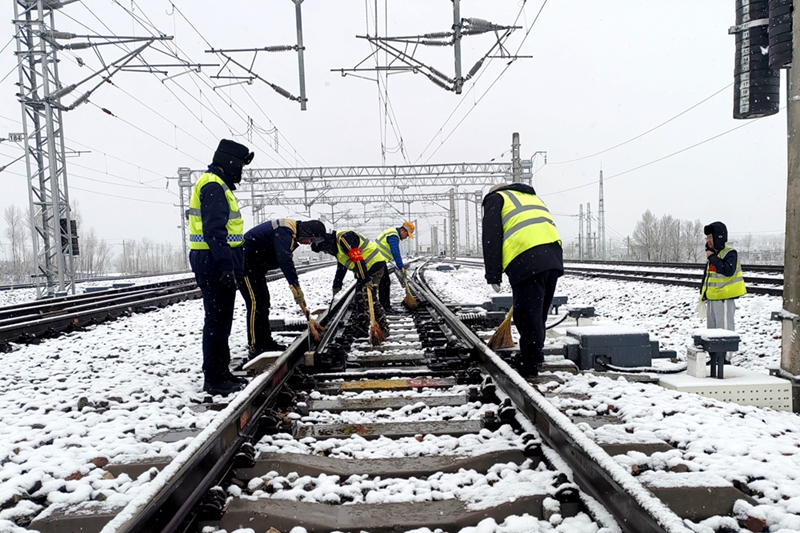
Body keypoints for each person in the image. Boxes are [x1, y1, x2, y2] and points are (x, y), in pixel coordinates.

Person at [189, 139, 254, 395]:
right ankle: (215, 378)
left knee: (221, 321)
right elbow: (214, 231)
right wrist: (227, 267)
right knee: (217, 321)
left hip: (216, 263)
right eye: (240, 165)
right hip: (215, 265)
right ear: (230, 163)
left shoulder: (218, 185)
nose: (241, 171)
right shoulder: (214, 186)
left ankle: (221, 371)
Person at [482, 182, 563, 377]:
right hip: (552, 256)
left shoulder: (497, 198)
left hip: (526, 257)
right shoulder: (530, 197)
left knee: (526, 314)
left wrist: (493, 275)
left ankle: (530, 363)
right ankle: (535, 354)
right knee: (538, 313)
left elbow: (491, 236)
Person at [240, 219, 327, 358]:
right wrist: (294, 284)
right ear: (306, 232)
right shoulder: (284, 231)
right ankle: (255, 346)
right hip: (245, 266)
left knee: (263, 303)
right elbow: (284, 258)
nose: (310, 242)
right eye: (311, 239)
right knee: (256, 304)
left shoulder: (290, 232)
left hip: (255, 267)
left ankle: (266, 342)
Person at [311, 229, 389, 337]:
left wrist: (366, 279)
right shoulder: (337, 247)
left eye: (325, 250)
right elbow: (342, 266)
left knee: (369, 298)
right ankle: (362, 328)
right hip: (364, 270)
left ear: (326, 243)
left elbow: (358, 259)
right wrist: (337, 283)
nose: (326, 252)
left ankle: (384, 327)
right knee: (359, 298)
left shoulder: (344, 239)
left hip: (374, 266)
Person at [701, 221, 746, 331]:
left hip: (724, 298)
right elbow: (708, 277)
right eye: (707, 238)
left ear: (718, 236)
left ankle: (726, 349)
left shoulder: (730, 253)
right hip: (712, 298)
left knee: (724, 331)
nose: (708, 241)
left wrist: (712, 257)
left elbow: (727, 270)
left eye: (710, 237)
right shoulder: (713, 254)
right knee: (712, 333)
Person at [375, 221, 415, 312]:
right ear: (402, 230)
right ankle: (385, 307)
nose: (406, 237)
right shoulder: (393, 236)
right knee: (385, 283)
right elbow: (395, 251)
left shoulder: (393, 233)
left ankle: (383, 306)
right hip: (376, 259)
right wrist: (401, 266)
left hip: (378, 259)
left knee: (383, 283)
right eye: (407, 235)